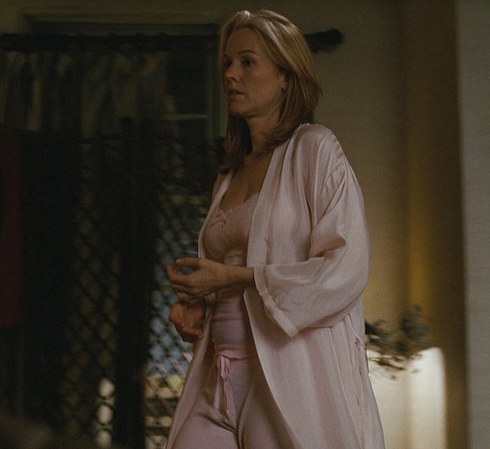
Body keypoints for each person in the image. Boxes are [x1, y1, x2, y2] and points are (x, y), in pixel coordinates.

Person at [165, 9, 385, 449]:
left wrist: (235, 277)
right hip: (217, 377)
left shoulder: (314, 149)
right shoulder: (228, 175)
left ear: (286, 76)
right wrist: (198, 303)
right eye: (227, 63)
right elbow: (230, 270)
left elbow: (346, 267)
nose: (231, 74)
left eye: (248, 62)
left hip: (283, 380)